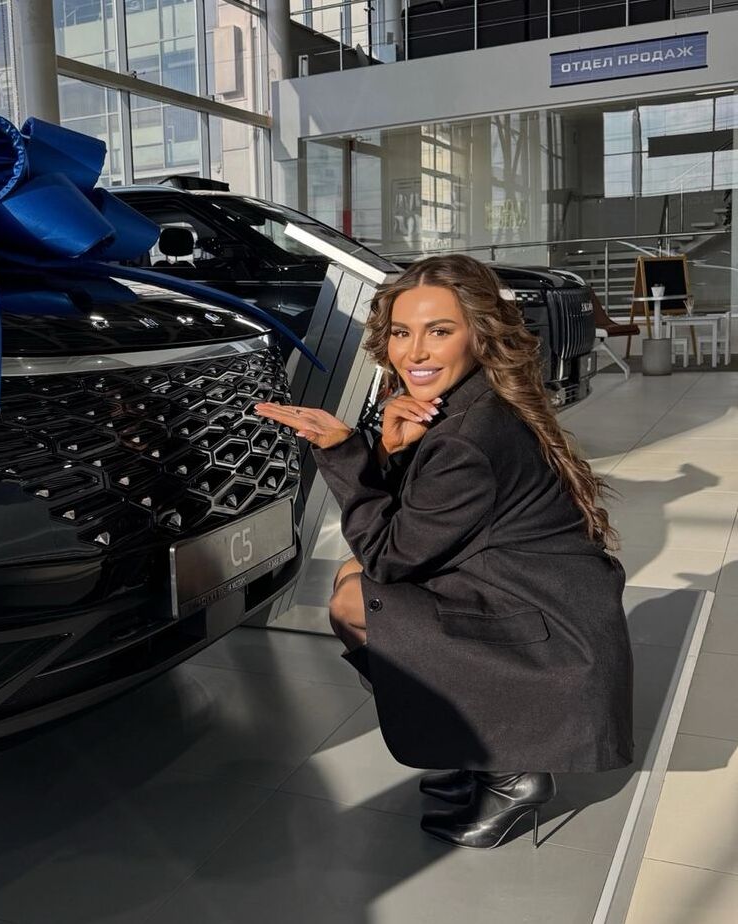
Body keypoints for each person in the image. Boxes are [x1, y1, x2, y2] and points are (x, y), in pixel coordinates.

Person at [254, 253, 634, 850]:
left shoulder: (466, 437)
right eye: (402, 333)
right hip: (545, 596)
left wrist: (344, 451)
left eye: (439, 331)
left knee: (356, 601)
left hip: (551, 627)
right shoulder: (475, 402)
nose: (415, 353)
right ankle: (474, 745)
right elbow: (419, 525)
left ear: (479, 334)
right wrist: (390, 450)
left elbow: (389, 556)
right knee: (351, 576)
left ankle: (513, 772)